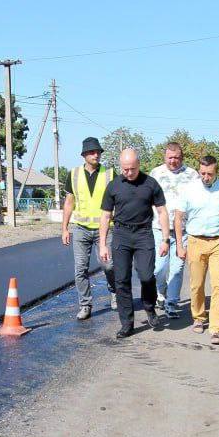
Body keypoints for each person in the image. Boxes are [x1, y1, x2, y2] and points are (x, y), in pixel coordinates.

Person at [99, 148, 169, 339]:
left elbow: (162, 212)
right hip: (121, 234)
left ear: (139, 165)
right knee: (121, 280)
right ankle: (127, 323)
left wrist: (165, 239)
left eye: (132, 169)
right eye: (125, 169)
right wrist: (103, 244)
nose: (129, 173)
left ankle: (149, 307)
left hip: (143, 234)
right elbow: (105, 216)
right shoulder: (113, 186)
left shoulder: (150, 184)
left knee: (146, 276)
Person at [173, 154, 219, 345]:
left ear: (216, 172)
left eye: (209, 174)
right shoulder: (189, 189)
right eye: (202, 173)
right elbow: (178, 217)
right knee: (197, 284)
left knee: (218, 285)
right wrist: (179, 244)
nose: (205, 177)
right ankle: (199, 317)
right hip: (195, 241)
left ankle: (216, 328)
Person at [61, 137, 117, 320]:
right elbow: (69, 203)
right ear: (84, 154)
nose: (96, 154)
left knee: (108, 265)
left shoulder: (109, 174)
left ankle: (114, 291)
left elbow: (118, 200)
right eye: (92, 152)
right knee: (80, 269)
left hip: (105, 229)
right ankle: (85, 305)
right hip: (81, 229)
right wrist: (64, 228)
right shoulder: (74, 174)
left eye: (98, 152)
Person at [149, 142, 199, 318]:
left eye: (176, 158)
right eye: (170, 157)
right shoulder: (156, 173)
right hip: (159, 228)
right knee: (159, 268)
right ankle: (161, 293)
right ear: (165, 157)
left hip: (183, 230)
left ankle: (171, 303)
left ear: (182, 157)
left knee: (177, 268)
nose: (173, 161)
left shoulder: (192, 175)